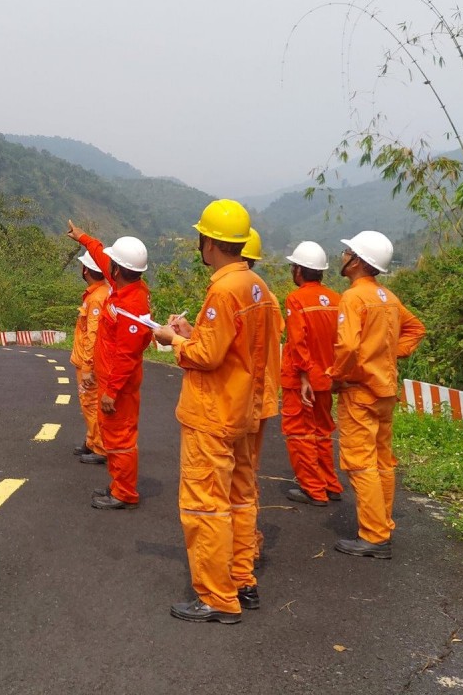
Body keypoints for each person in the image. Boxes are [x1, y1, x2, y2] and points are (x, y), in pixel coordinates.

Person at [153, 199, 277, 624]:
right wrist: (194, 333)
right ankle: (242, 578)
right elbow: (236, 345)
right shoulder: (257, 286)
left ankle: (217, 597)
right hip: (245, 410)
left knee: (206, 504)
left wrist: (172, 338)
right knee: (241, 498)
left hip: (213, 413)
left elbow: (206, 356)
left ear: (209, 242)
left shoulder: (223, 289)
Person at [331, 230, 426, 559]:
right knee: (383, 461)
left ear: (357, 261)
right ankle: (382, 525)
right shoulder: (388, 297)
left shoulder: (354, 298)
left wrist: (337, 376)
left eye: (347, 252)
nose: (342, 256)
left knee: (360, 463)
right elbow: (416, 328)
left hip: (359, 390)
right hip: (385, 389)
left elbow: (347, 346)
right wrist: (388, 354)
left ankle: (373, 535)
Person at [65, 221, 151, 510]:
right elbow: (102, 255)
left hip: (119, 384)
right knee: (113, 435)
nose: (107, 265)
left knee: (121, 438)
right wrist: (83, 238)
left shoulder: (133, 305)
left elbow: (127, 357)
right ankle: (118, 485)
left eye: (112, 264)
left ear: (117, 270)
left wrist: (111, 392)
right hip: (109, 378)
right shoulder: (122, 287)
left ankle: (124, 493)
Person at [233, 228, 283, 596]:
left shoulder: (234, 293)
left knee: (236, 482)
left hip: (239, 400)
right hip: (262, 397)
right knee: (246, 478)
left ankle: (240, 561)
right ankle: (246, 550)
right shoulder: (267, 295)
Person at [280, 241, 343, 506]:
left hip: (302, 380)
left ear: (299, 270)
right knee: (322, 431)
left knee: (299, 433)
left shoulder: (296, 299)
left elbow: (298, 340)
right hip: (327, 378)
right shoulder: (337, 300)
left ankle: (313, 489)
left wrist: (304, 374)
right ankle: (330, 484)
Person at [70, 250, 111, 465]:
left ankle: (100, 446)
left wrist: (87, 366)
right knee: (89, 402)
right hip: (90, 361)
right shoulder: (102, 292)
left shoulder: (96, 298)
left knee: (91, 402)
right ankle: (91, 440)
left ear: (85, 270)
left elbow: (92, 335)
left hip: (90, 362)